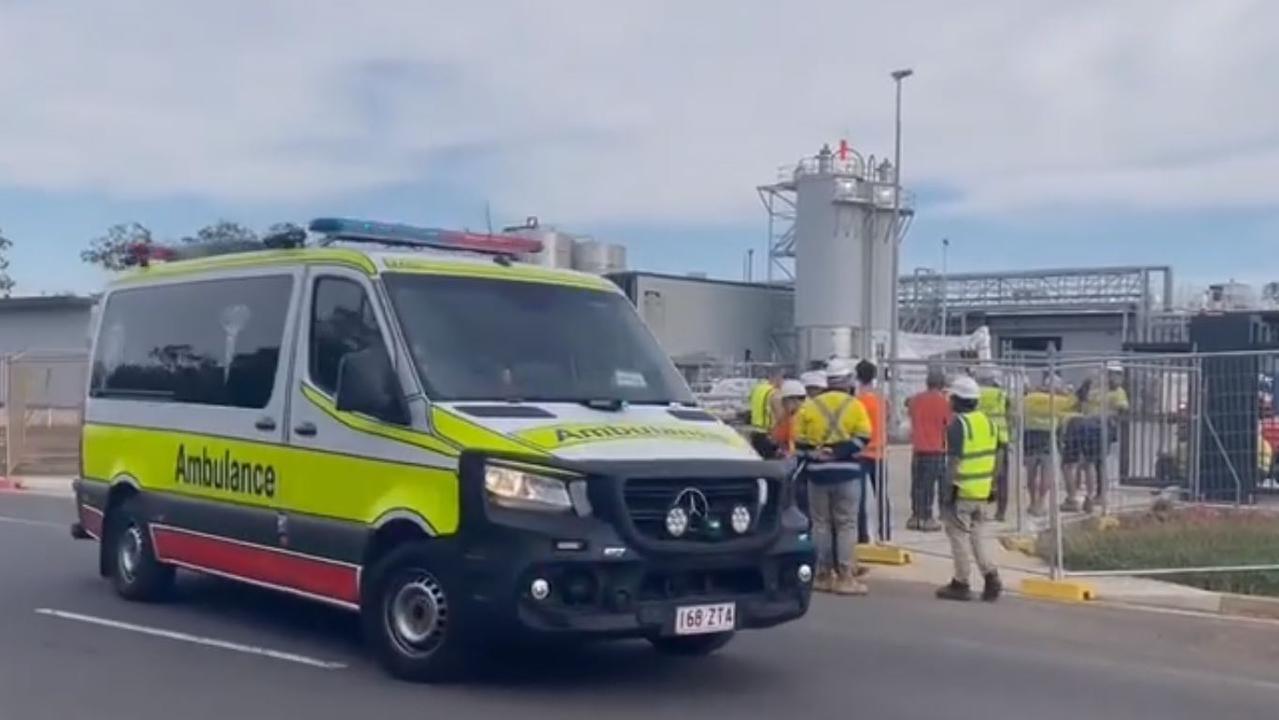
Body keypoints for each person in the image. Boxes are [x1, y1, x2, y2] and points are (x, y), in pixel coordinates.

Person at [793, 358, 873, 596]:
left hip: (817, 474)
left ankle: (822, 574)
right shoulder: (855, 406)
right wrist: (840, 451)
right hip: (847, 472)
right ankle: (846, 577)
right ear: (848, 381)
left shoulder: (810, 406)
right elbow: (864, 437)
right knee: (847, 523)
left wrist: (817, 454)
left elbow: (799, 443)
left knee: (820, 524)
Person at [936, 376, 1003, 602]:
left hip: (961, 491)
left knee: (958, 538)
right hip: (982, 492)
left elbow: (953, 462)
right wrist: (992, 484)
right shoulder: (989, 423)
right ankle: (991, 575)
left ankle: (961, 582)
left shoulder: (958, 426)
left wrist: (946, 491)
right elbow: (997, 457)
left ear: (957, 399)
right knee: (978, 537)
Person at [1022, 375, 1077, 517]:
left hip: (1030, 435)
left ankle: (1032, 502)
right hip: (1049, 435)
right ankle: (1041, 502)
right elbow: (1074, 404)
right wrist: (1066, 392)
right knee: (1047, 472)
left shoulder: (1030, 398)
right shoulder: (1059, 400)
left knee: (1031, 472)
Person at [907, 369, 951, 531]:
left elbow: (910, 413)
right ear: (941, 384)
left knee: (917, 484)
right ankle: (927, 518)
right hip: (936, 449)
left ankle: (915, 516)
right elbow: (948, 424)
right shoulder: (944, 403)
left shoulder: (915, 400)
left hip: (918, 448)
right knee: (929, 485)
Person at [854, 359, 885, 545]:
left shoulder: (857, 402)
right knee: (881, 497)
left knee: (859, 498)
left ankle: (862, 535)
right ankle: (884, 533)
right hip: (880, 453)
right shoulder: (881, 401)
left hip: (861, 453)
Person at [976, 366, 1011, 522]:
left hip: (980, 437)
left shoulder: (975, 394)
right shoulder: (1001, 394)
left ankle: (979, 511)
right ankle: (1001, 512)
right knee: (1001, 477)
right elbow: (1010, 413)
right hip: (999, 438)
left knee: (978, 475)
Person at [747, 369, 785, 458]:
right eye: (782, 379)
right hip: (768, 434)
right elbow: (780, 417)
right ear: (778, 378)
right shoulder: (774, 393)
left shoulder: (757, 389)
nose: (783, 383)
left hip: (755, 433)